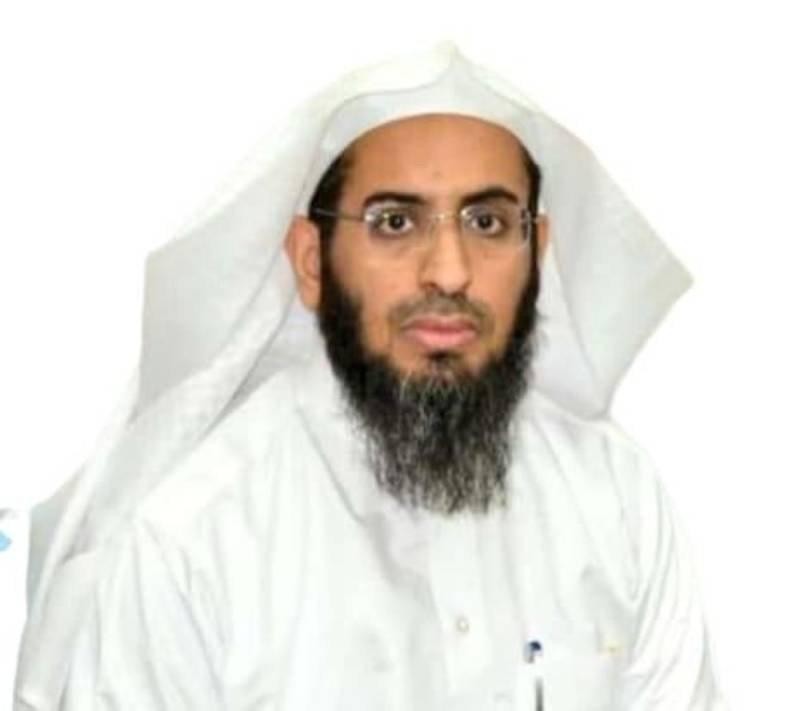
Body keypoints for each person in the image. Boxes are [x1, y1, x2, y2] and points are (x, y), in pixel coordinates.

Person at [14, 43, 726, 710]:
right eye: (394, 222)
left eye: (486, 221)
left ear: (535, 250)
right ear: (312, 261)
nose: (449, 271)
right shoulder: (193, 540)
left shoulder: (617, 500)